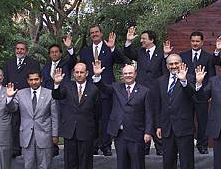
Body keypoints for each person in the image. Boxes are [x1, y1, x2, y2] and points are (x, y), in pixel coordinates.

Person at [93, 62, 154, 169]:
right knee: (122, 165)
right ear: (122, 75)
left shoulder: (144, 91)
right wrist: (97, 76)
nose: (128, 75)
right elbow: (102, 87)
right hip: (120, 134)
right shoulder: (115, 88)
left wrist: (148, 132)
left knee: (138, 165)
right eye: (125, 73)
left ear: (135, 74)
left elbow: (149, 113)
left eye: (130, 73)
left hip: (137, 133)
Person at [6, 71, 59, 169]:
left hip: (44, 134)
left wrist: (55, 134)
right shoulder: (20, 93)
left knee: (44, 166)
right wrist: (9, 98)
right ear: (28, 81)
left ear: (41, 79)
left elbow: (54, 116)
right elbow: (12, 109)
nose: (34, 82)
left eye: (36, 79)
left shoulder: (49, 93)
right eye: (31, 80)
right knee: (29, 166)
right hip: (27, 135)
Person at [52, 63, 100, 169]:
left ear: (87, 73)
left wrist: (95, 131)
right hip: (70, 131)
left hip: (86, 130)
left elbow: (97, 112)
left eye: (82, 72)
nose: (79, 74)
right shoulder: (66, 86)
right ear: (73, 73)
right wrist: (56, 84)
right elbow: (56, 96)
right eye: (77, 72)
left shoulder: (94, 89)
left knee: (86, 163)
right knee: (70, 162)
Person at [79, 25, 128, 156]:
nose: (94, 34)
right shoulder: (85, 51)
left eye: (96, 32)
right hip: (89, 89)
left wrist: (112, 48)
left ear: (101, 34)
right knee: (92, 119)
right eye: (92, 33)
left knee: (106, 117)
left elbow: (122, 60)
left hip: (106, 88)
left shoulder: (109, 48)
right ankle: (93, 146)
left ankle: (106, 146)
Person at [156, 55, 197, 169]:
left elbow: (195, 96)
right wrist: (159, 125)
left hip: (184, 126)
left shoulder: (190, 78)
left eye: (176, 63)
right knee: (168, 162)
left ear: (181, 64)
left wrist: (184, 81)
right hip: (167, 127)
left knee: (187, 162)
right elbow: (159, 105)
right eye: (171, 64)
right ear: (167, 66)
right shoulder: (160, 81)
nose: (173, 66)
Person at [124, 27, 167, 156]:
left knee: (156, 117)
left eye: (144, 38)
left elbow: (165, 71)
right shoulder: (139, 52)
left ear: (152, 40)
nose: (141, 40)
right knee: (143, 117)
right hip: (141, 91)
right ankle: (144, 147)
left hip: (156, 91)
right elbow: (127, 53)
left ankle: (160, 148)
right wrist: (128, 41)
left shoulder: (161, 53)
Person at [180, 31, 216, 154]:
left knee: (203, 121)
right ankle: (188, 145)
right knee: (187, 120)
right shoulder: (183, 56)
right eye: (193, 41)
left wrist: (209, 94)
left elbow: (211, 76)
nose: (195, 43)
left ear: (202, 42)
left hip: (202, 94)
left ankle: (202, 145)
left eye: (197, 41)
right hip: (186, 94)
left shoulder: (208, 57)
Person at [3, 41, 41, 157]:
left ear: (26, 50)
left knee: (26, 122)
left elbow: (35, 79)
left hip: (27, 97)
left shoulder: (33, 63)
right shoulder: (9, 63)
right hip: (13, 97)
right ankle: (15, 148)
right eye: (18, 49)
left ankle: (28, 146)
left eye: (22, 49)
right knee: (14, 122)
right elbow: (5, 80)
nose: (20, 51)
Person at [42, 35, 76, 158]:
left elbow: (73, 59)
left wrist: (70, 48)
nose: (54, 54)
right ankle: (53, 147)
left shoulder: (66, 64)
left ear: (60, 53)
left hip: (63, 98)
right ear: (49, 55)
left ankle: (68, 148)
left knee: (65, 122)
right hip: (49, 99)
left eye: (56, 52)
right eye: (52, 52)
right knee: (50, 122)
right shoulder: (45, 67)